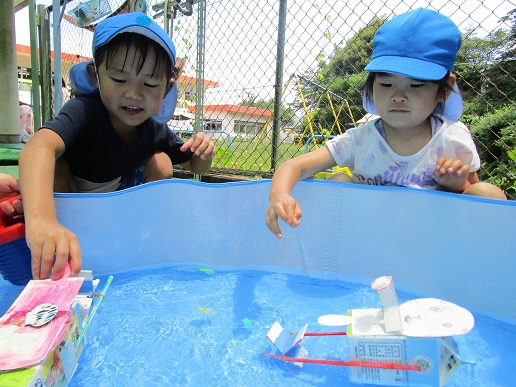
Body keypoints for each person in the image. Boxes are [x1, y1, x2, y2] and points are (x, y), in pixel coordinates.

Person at [266, 8, 507, 239]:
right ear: (372, 85)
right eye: (386, 84)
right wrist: (279, 195)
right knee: (337, 182)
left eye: (415, 85)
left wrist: (459, 185)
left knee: (488, 194)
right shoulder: (360, 140)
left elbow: (474, 196)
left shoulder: (452, 138)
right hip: (372, 238)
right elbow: (294, 165)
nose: (398, 96)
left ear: (444, 90)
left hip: (432, 241)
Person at [19, 12, 216, 280]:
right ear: (96, 76)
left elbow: (197, 167)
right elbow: (36, 148)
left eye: (149, 83)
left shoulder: (153, 128)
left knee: (162, 162)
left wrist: (204, 151)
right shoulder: (84, 112)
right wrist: (41, 220)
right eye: (120, 80)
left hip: (119, 207)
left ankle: (142, 236)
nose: (134, 94)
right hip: (73, 204)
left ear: (166, 89)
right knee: (55, 167)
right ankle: (60, 239)